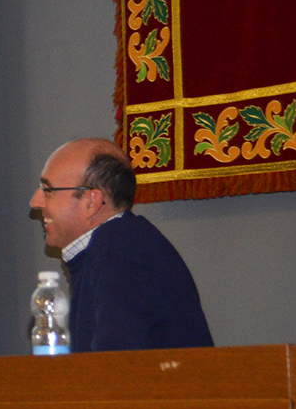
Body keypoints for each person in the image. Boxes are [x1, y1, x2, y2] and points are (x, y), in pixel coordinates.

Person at [29, 138, 212, 352]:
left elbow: (116, 365)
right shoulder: (122, 241)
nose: (35, 202)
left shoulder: (117, 247)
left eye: (48, 190)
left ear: (92, 202)